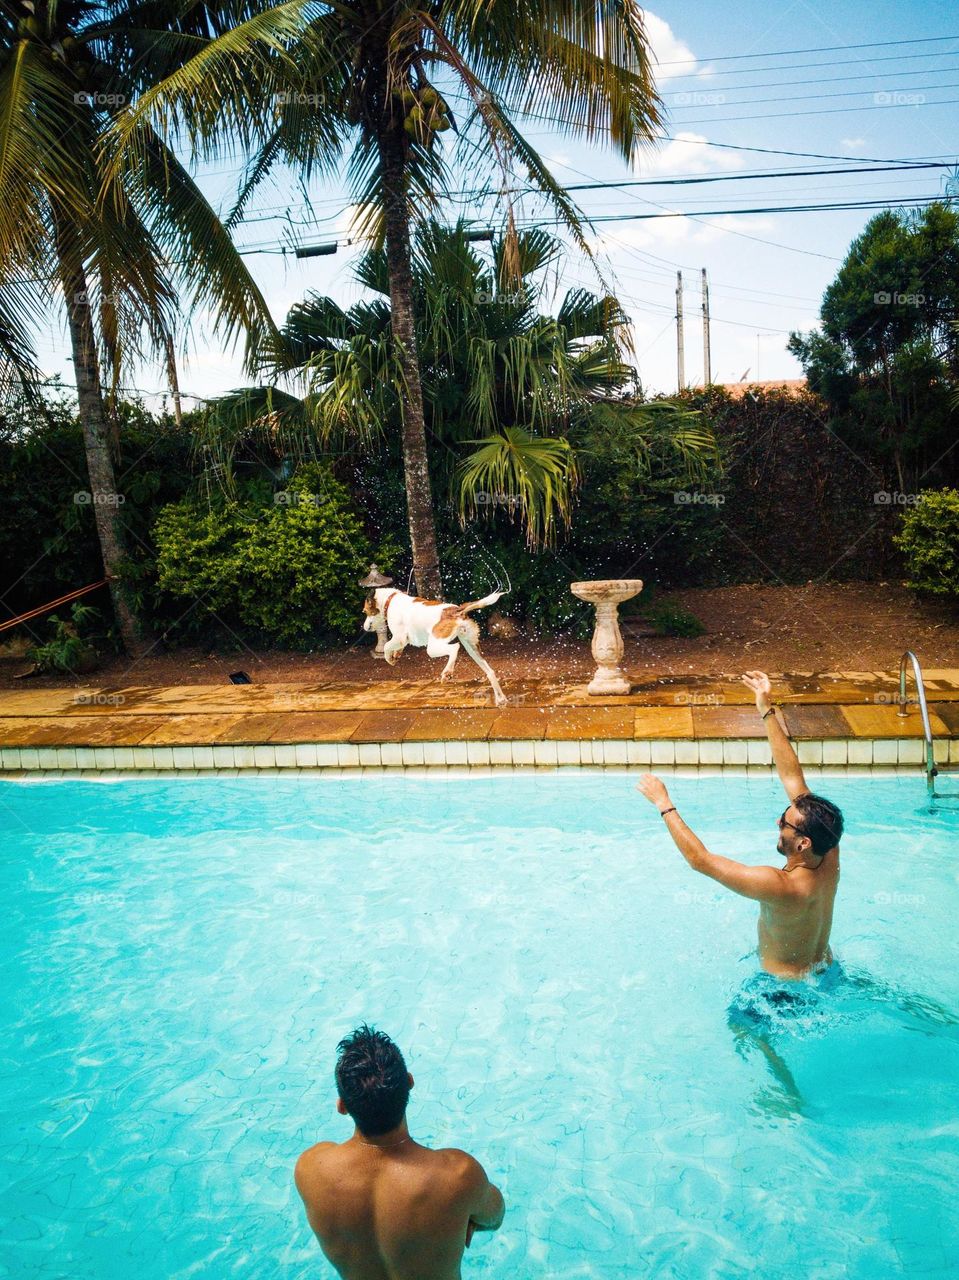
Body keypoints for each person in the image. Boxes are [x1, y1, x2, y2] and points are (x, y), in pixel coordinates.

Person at [636, 670, 844, 981]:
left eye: (785, 823)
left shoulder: (777, 885)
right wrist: (766, 709)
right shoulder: (829, 847)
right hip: (828, 971)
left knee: (742, 1030)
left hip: (783, 991)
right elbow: (792, 779)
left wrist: (663, 804)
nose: (778, 821)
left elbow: (700, 861)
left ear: (803, 843)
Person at [295, 1025, 505, 1280]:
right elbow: (494, 1218)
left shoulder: (311, 1169)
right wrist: (458, 1215)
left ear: (342, 1106)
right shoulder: (457, 1176)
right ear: (409, 1082)